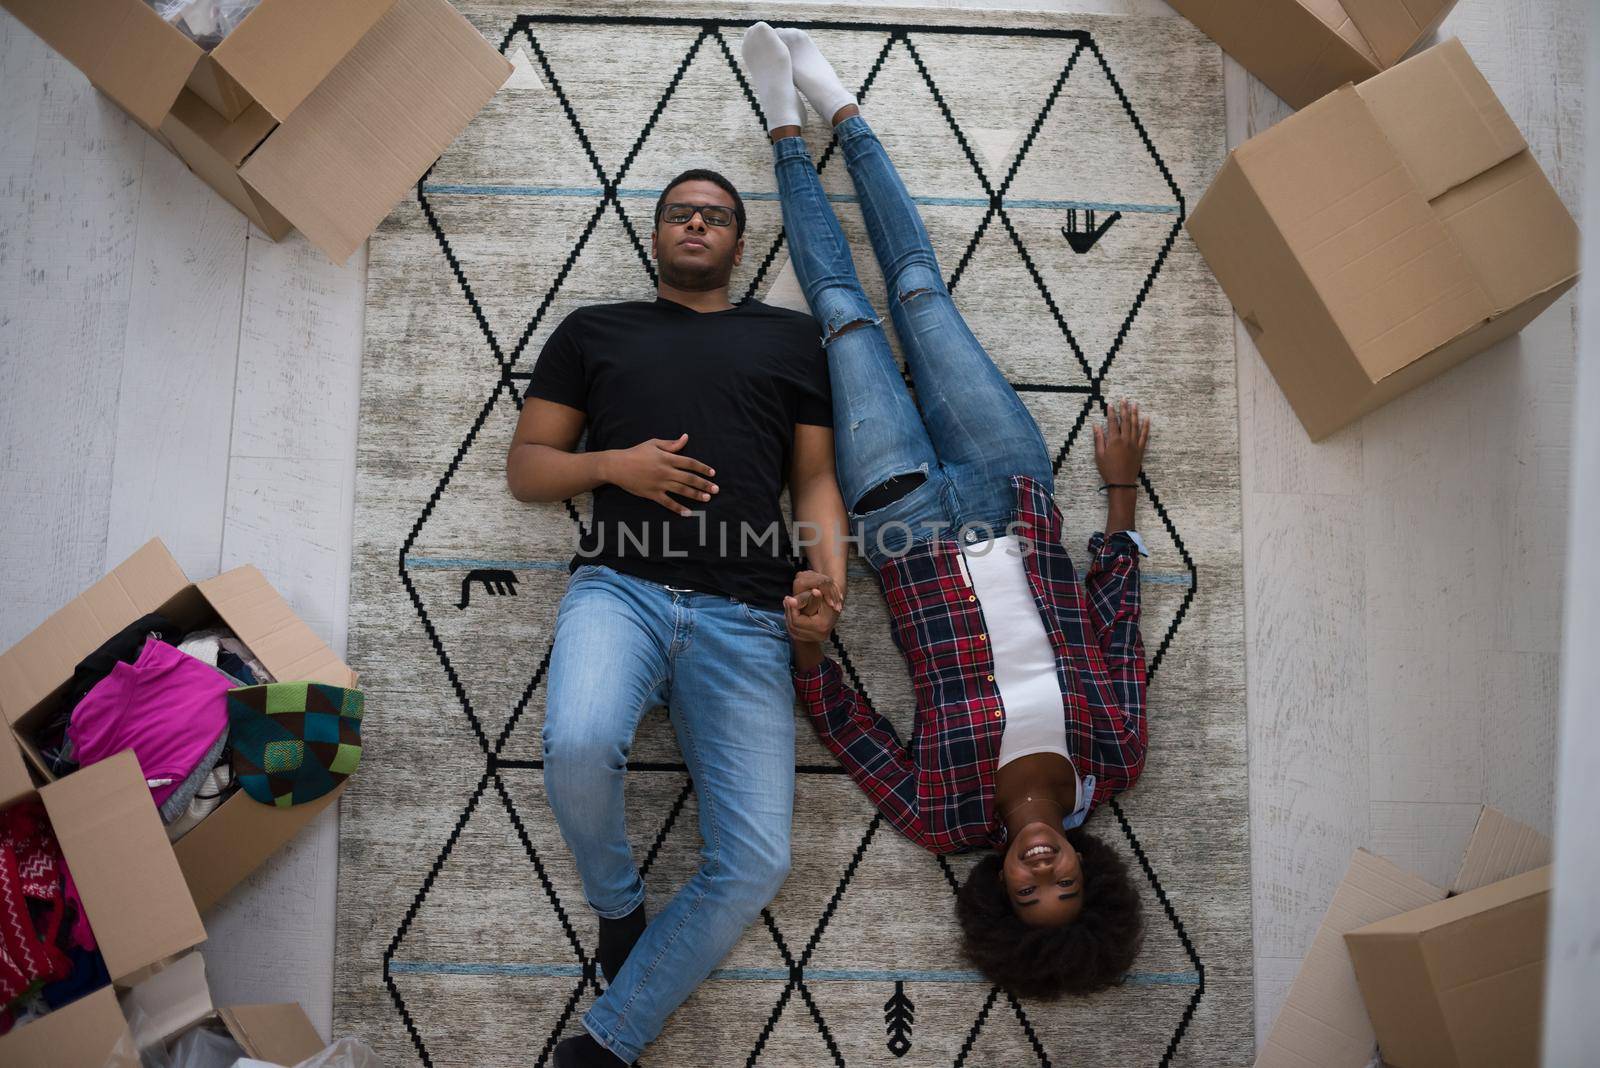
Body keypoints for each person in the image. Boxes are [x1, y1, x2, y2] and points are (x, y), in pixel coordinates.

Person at [741, 23, 1150, 997]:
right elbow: (1115, 613)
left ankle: (784, 130)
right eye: (1064, 888)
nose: (1042, 872)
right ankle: (840, 100)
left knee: (843, 315)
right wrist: (1120, 483)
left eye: (1025, 895)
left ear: (996, 888)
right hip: (1011, 485)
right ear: (1092, 876)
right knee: (922, 294)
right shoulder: (1114, 754)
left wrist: (809, 639)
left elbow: (841, 722)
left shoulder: (939, 810)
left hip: (903, 522)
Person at [506, 166, 849, 1066]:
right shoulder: (593, 331)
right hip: (621, 587)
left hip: (748, 613)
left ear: (740, 240)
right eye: (679, 213)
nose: (697, 223)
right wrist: (614, 466)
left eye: (717, 215)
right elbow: (529, 467)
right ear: (656, 234)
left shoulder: (792, 339)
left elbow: (814, 477)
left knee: (758, 862)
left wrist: (828, 580)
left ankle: (610, 1039)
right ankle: (619, 902)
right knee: (577, 744)